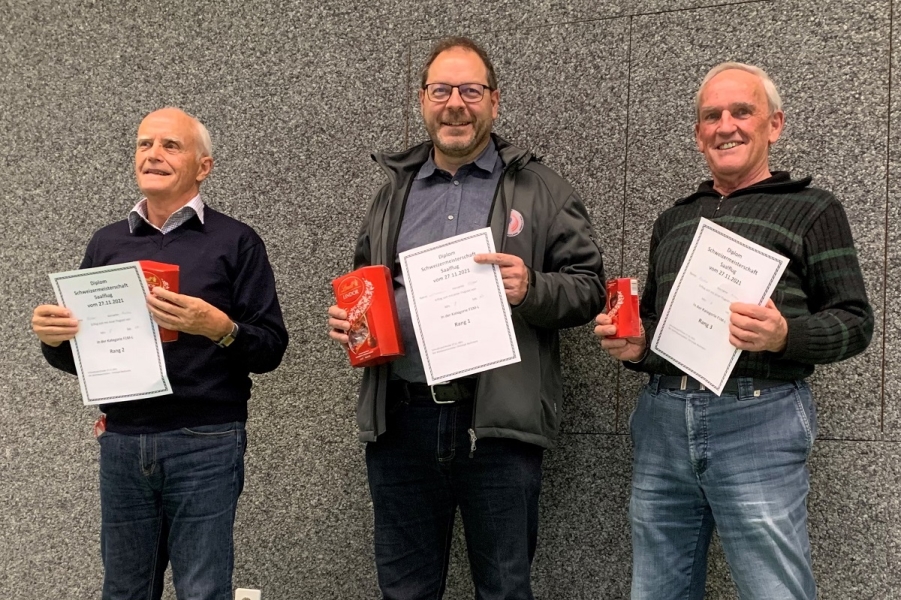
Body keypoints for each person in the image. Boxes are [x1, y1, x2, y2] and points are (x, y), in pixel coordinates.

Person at [327, 36, 604, 599]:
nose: (455, 104)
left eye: (471, 91)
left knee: (503, 589)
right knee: (404, 591)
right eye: (441, 91)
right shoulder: (392, 193)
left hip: (496, 424)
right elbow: (367, 282)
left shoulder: (542, 189)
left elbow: (590, 288)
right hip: (402, 420)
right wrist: (354, 321)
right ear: (422, 100)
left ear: (494, 101)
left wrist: (532, 288)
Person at [595, 62, 873, 600]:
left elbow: (855, 321)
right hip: (662, 420)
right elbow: (656, 328)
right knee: (656, 588)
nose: (726, 125)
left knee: (774, 589)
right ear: (699, 134)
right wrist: (636, 347)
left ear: (774, 124)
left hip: (759, 418)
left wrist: (784, 335)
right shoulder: (673, 221)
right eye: (712, 116)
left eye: (742, 111)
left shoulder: (813, 208)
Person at [31, 107, 289, 600]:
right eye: (144, 144)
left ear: (203, 167)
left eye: (171, 145)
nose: (153, 154)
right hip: (124, 441)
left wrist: (219, 328)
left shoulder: (236, 241)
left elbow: (270, 348)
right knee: (124, 590)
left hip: (206, 440)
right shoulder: (107, 243)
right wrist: (54, 338)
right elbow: (79, 358)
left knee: (202, 590)